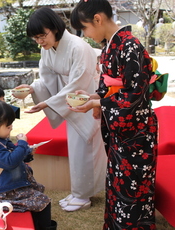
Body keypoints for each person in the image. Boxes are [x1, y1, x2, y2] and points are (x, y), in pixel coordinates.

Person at [70, 0, 158, 228]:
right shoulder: (110, 46)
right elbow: (108, 89)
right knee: (118, 186)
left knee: (133, 190)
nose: (85, 34)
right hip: (122, 131)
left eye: (85, 28)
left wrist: (99, 103)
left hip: (136, 132)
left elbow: (134, 96)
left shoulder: (131, 46)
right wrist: (92, 97)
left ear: (97, 19)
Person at [17, 6, 107, 212]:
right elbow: (47, 79)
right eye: (36, 38)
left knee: (86, 150)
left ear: (54, 28)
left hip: (85, 101)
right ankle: (78, 192)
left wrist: (49, 102)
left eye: (42, 35)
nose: (40, 41)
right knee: (76, 150)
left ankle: (84, 196)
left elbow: (79, 81)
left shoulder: (78, 46)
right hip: (69, 101)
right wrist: (33, 88)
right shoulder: (47, 49)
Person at [0, 100, 57, 230]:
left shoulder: (0, 140)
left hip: (12, 185)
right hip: (5, 192)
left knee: (39, 193)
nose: (11, 129)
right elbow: (10, 161)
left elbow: (16, 155)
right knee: (43, 201)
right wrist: (22, 143)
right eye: (8, 126)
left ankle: (38, 224)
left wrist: (28, 152)